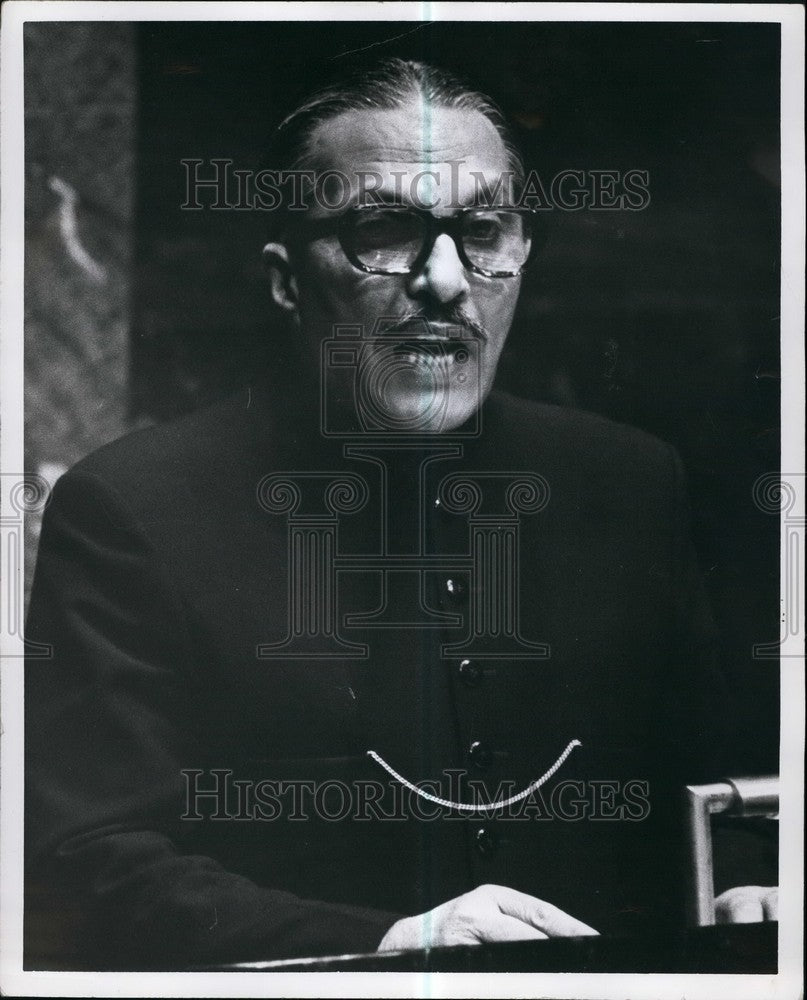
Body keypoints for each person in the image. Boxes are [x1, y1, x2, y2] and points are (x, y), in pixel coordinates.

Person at [24, 58, 776, 969]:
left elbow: (713, 791)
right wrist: (391, 944)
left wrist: (744, 885)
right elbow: (82, 863)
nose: (447, 281)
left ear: (521, 254)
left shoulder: (630, 481)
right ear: (285, 280)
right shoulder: (132, 507)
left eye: (484, 229)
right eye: (384, 230)